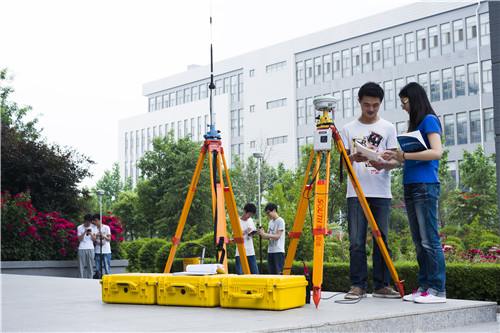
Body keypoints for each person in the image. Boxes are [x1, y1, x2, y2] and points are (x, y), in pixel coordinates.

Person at [381, 82, 446, 304]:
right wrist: (395, 155)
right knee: (419, 242)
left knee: (430, 240)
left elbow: (437, 152)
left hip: (425, 185)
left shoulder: (429, 119)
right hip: (411, 185)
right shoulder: (416, 125)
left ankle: (438, 290)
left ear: (414, 99)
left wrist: (405, 156)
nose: (403, 107)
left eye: (404, 102)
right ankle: (425, 286)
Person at [340, 82, 400, 299]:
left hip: (381, 192)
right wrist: (352, 158)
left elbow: (395, 161)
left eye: (375, 105)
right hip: (355, 193)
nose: (371, 109)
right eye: (367, 105)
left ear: (380, 103)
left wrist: (384, 163)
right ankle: (357, 285)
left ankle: (382, 285)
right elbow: (343, 164)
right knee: (356, 241)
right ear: (359, 102)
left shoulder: (388, 128)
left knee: (381, 239)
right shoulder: (348, 129)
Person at [257, 203, 285, 274]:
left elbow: (278, 236)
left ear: (274, 210)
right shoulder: (270, 222)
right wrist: (262, 233)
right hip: (270, 251)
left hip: (278, 251)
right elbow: (268, 237)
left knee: (279, 272)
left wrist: (266, 234)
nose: (268, 215)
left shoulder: (280, 221)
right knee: (271, 273)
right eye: (266, 213)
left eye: (268, 212)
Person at [234, 203, 259, 275]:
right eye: (249, 214)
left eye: (251, 215)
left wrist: (252, 234)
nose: (250, 216)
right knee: (240, 275)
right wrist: (245, 231)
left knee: (255, 274)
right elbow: (234, 236)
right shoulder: (237, 221)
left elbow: (252, 234)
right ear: (244, 211)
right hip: (240, 252)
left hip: (251, 251)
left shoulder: (250, 220)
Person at [77, 214, 97, 279]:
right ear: (84, 221)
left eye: (89, 222)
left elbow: (94, 239)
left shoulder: (94, 227)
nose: (88, 224)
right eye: (87, 222)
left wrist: (90, 233)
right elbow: (79, 239)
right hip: (82, 248)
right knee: (81, 265)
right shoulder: (79, 227)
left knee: (90, 265)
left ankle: (90, 279)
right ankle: (80, 278)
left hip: (90, 248)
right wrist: (84, 232)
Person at [93, 213, 112, 279]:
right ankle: (99, 280)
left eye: (96, 220)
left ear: (99, 220)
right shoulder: (94, 228)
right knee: (98, 268)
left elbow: (109, 239)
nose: (94, 222)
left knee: (107, 267)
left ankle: (108, 281)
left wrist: (103, 235)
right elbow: (93, 240)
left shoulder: (106, 227)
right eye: (93, 221)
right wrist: (97, 240)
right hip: (98, 251)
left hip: (106, 251)